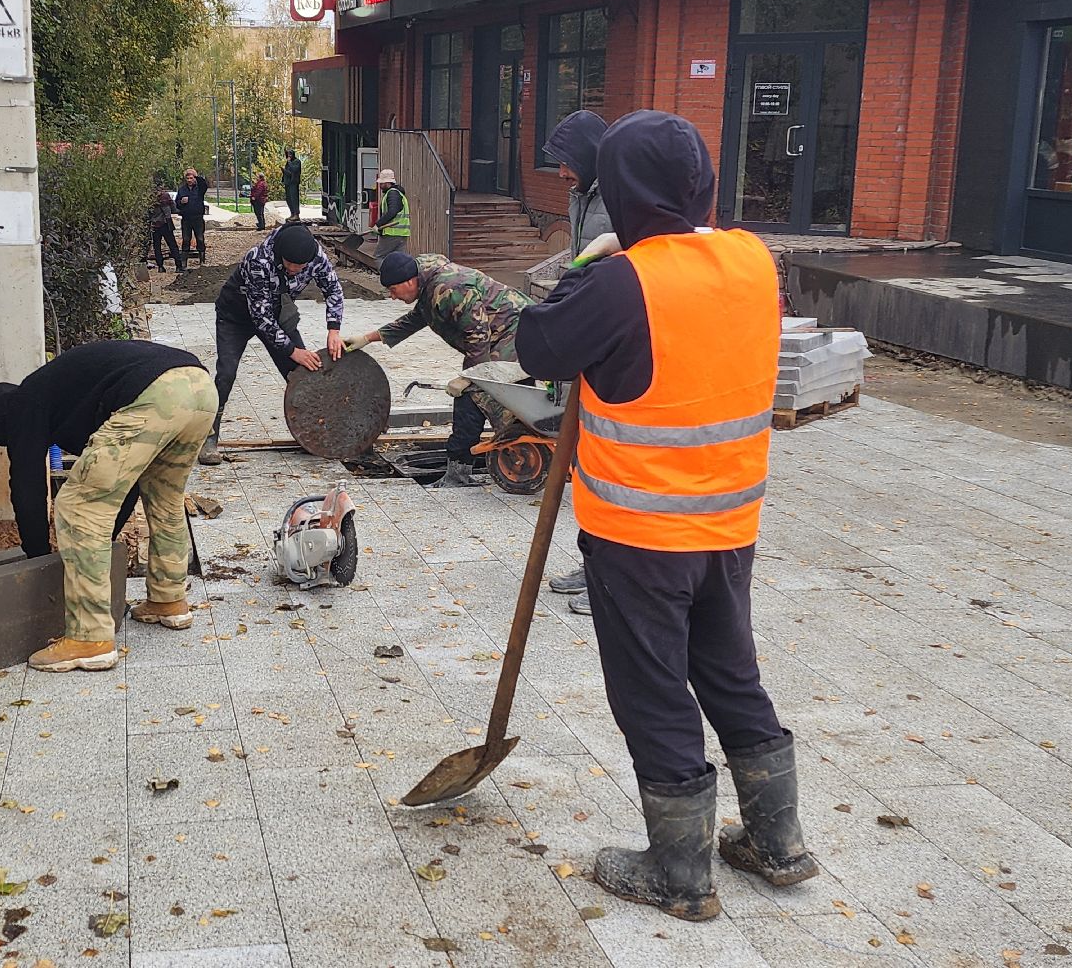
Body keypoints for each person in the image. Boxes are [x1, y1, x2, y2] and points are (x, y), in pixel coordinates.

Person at [515, 110, 816, 922]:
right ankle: (777, 842)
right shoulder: (754, 259)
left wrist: (592, 259)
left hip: (641, 534)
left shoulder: (623, 281)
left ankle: (680, 874)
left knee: (653, 690)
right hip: (729, 523)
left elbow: (537, 345)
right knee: (729, 673)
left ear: (621, 192)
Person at [0, 340, 218, 672]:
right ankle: (168, 599)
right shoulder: (63, 392)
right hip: (199, 387)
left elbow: (27, 487)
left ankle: (88, 638)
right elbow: (125, 484)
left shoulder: (22, 403)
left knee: (79, 507)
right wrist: (102, 538)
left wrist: (39, 556)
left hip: (154, 393)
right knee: (165, 498)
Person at [345, 251, 533, 488]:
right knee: (480, 397)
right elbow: (417, 318)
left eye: (393, 290)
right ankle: (483, 461)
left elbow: (478, 336)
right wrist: (368, 338)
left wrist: (471, 377)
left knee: (477, 397)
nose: (391, 297)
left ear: (409, 282)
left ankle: (514, 455)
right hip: (499, 334)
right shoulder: (427, 282)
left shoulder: (449, 289)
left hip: (516, 333)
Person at [540, 109, 614, 613]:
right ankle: (593, 566)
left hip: (614, 334)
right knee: (586, 466)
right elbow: (579, 256)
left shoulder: (621, 194)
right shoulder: (580, 193)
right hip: (589, 324)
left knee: (607, 467)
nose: (562, 173)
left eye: (567, 163)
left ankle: (609, 580)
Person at [198, 222, 345, 464]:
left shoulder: (315, 255)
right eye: (290, 265)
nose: (296, 270)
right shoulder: (259, 260)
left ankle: (315, 431)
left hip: (278, 311)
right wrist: (292, 350)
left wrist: (334, 329)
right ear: (280, 255)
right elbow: (261, 318)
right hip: (236, 316)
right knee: (226, 373)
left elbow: (333, 289)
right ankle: (209, 436)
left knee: (301, 372)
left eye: (301, 267)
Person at [373, 170, 410, 260]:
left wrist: (378, 224)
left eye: (382, 183)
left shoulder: (392, 194)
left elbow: (392, 211)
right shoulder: (398, 193)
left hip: (392, 233)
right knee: (398, 260)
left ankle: (386, 274)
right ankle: (398, 274)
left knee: (379, 257)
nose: (380, 186)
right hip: (402, 233)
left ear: (388, 183)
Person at [148, 178, 183, 273]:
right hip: (166, 223)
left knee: (157, 246)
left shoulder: (149, 197)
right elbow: (174, 209)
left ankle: (160, 266)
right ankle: (179, 266)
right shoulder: (166, 196)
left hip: (154, 225)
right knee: (172, 245)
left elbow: (148, 213)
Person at [175, 167, 208, 265]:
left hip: (198, 217)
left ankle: (202, 259)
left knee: (200, 238)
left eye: (191, 178)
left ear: (194, 178)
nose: (189, 180)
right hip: (186, 218)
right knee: (186, 239)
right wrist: (181, 202)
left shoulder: (199, 189)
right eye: (188, 178)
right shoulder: (182, 190)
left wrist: (197, 176)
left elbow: (204, 184)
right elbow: (176, 203)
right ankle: (184, 261)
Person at [282, 148, 302, 219]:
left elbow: (294, 170)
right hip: (288, 182)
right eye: (288, 154)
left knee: (294, 198)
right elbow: (288, 172)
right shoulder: (288, 162)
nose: (289, 156)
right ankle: (292, 213)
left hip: (293, 182)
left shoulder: (297, 161)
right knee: (289, 199)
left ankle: (296, 214)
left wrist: (289, 162)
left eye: (290, 154)